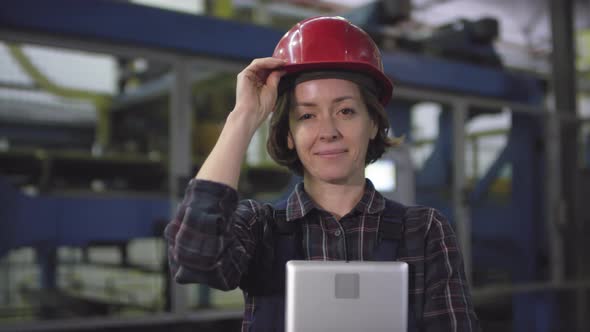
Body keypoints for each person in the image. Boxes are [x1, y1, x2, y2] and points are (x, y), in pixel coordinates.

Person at [165, 16, 480, 331]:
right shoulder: (260, 228)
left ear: (373, 123)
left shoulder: (425, 232)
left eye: (345, 111)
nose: (328, 131)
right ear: (289, 134)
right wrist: (243, 117)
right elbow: (195, 259)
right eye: (306, 115)